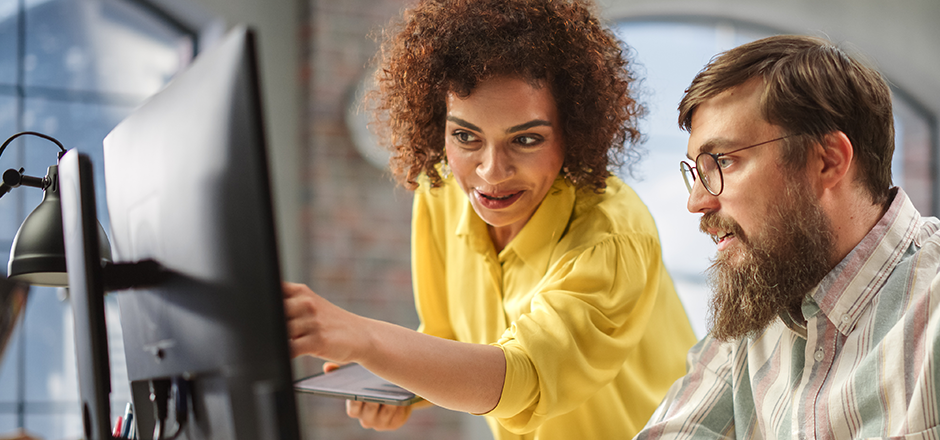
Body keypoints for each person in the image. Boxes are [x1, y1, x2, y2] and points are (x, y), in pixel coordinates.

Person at [635, 35, 940, 439]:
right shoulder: (751, 324)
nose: (697, 201)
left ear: (827, 161)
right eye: (694, 171)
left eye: (724, 162)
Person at [283, 0, 696, 438]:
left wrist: (364, 337)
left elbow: (524, 378)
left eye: (526, 139)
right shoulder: (440, 191)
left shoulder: (611, 237)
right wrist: (398, 379)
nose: (490, 172)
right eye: (465, 136)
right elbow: (447, 334)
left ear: (573, 132)